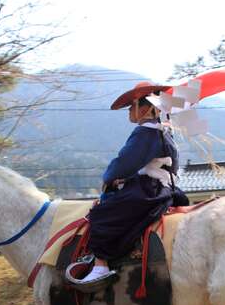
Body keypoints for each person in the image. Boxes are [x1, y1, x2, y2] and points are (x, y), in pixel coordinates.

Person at [76, 81, 188, 288]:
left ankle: (100, 264)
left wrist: (110, 177)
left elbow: (123, 164)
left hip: (149, 190)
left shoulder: (146, 132)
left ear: (144, 108)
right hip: (164, 187)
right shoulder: (163, 131)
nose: (129, 110)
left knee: (102, 213)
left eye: (131, 106)